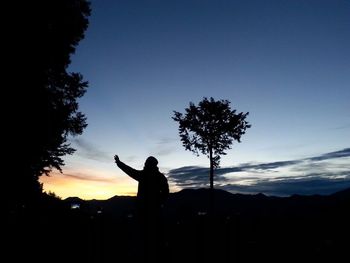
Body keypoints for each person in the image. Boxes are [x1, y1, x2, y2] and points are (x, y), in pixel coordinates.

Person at [114, 155, 169, 261]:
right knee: (154, 234)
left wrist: (119, 163)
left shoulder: (143, 175)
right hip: (153, 210)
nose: (145, 165)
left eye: (146, 163)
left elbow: (129, 171)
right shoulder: (160, 177)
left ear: (148, 164)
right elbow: (166, 193)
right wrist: (159, 202)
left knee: (144, 234)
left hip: (144, 210)